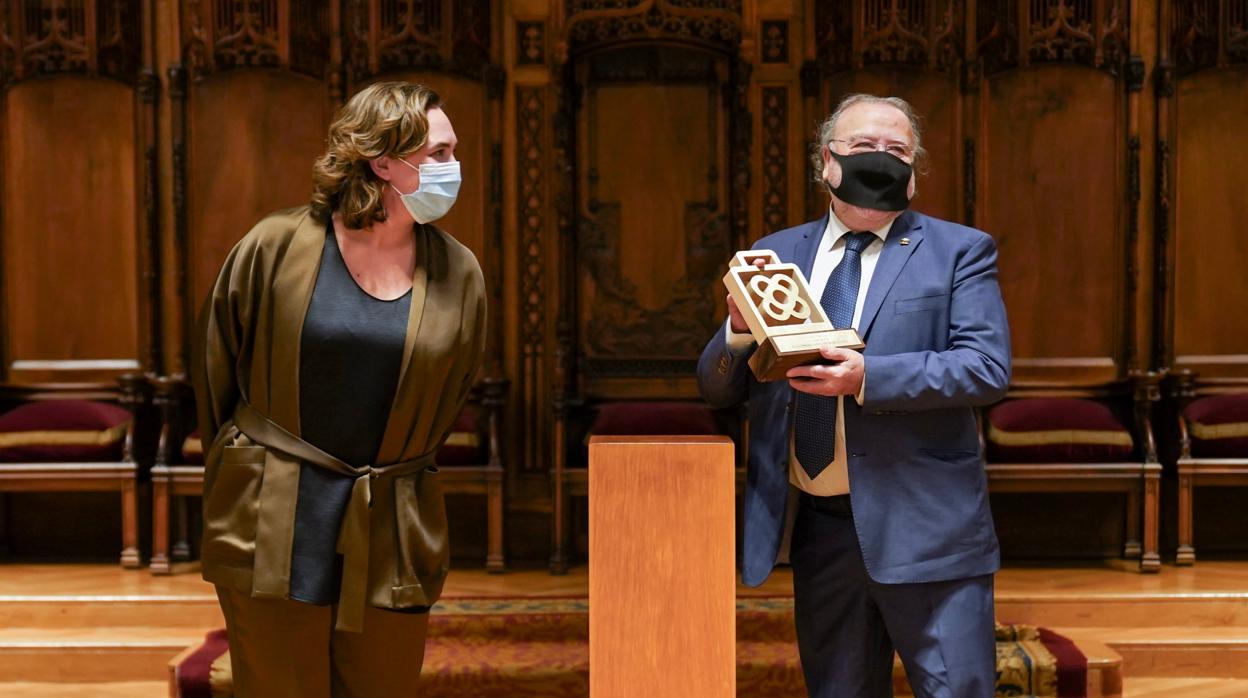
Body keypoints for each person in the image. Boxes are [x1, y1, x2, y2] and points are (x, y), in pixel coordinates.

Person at [698, 93, 1011, 697]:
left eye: (898, 150)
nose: (882, 158)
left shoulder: (959, 251)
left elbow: (985, 367)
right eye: (865, 146)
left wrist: (868, 377)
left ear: (915, 173)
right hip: (821, 529)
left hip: (926, 529)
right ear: (826, 162)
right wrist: (737, 332)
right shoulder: (776, 253)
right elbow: (716, 389)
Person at [193, 81, 486, 697]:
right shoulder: (275, 245)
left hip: (391, 521)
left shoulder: (460, 272)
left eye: (454, 151)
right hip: (272, 513)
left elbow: (454, 387)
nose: (452, 167)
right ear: (383, 160)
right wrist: (240, 464)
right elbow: (218, 368)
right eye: (437, 153)